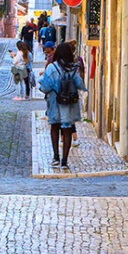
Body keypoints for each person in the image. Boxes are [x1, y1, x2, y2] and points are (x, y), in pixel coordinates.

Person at [39, 41, 87, 171]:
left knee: (55, 128)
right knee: (67, 131)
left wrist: (43, 85)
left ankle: (56, 158)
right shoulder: (73, 68)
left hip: (55, 102)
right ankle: (64, 161)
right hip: (69, 103)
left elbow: (44, 87)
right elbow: (80, 85)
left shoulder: (51, 68)